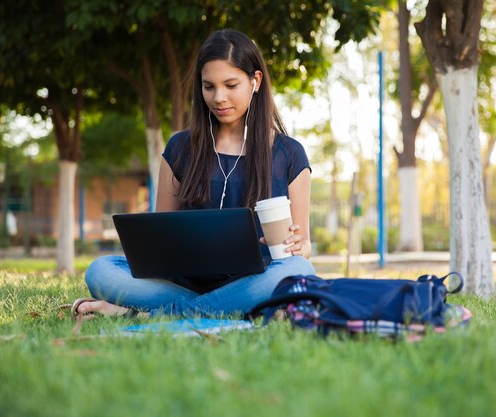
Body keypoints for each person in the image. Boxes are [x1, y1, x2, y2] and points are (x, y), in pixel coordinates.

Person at [72, 29, 316, 319]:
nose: (219, 98)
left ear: (255, 82)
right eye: (209, 86)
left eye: (230, 85)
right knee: (101, 271)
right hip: (183, 284)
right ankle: (233, 309)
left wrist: (300, 246)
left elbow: (304, 247)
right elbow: (159, 245)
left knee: (299, 270)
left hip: (254, 281)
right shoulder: (180, 148)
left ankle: (155, 314)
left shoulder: (289, 155)